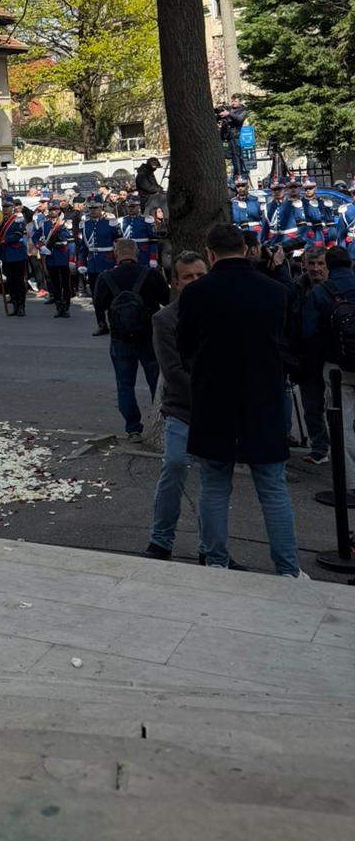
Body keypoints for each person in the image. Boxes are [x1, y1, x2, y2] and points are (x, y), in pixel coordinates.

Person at [178, 221, 303, 577]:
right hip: (263, 396)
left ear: (210, 254)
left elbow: (184, 347)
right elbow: (289, 345)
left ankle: (216, 561)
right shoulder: (275, 291)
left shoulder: (195, 294)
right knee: (272, 487)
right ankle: (288, 568)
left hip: (214, 397)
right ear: (247, 251)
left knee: (215, 485)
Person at [144, 251, 209, 561]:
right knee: (173, 468)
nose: (195, 282)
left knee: (214, 480)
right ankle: (160, 541)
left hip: (216, 410)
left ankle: (213, 548)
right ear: (176, 283)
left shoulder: (222, 311)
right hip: (182, 409)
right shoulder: (165, 318)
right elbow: (172, 372)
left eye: (201, 275)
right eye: (188, 277)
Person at [93, 236, 170, 438]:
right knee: (156, 381)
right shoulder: (151, 274)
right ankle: (159, 425)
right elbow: (166, 299)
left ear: (116, 255)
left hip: (120, 339)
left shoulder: (106, 277)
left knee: (125, 384)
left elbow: (99, 306)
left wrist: (104, 323)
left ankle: (133, 428)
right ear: (136, 253)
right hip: (148, 336)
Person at [302, 244, 355, 490]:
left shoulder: (322, 292)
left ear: (329, 267)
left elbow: (308, 332)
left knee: (342, 425)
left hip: (337, 366)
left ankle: (349, 482)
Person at [293, 246, 331, 467]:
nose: (315, 268)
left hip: (331, 355)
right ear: (305, 264)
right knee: (312, 406)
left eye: (320, 264)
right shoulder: (298, 287)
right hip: (307, 356)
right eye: (312, 264)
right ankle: (320, 447)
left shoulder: (335, 288)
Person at [82, 204, 120, 333]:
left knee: (112, 295)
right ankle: (102, 324)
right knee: (96, 296)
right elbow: (83, 247)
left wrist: (118, 262)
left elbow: (119, 243)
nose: (93, 210)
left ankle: (115, 323)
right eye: (91, 208)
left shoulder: (110, 224)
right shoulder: (85, 225)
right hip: (93, 264)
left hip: (108, 263)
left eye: (96, 208)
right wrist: (81, 263)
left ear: (101, 209)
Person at [38, 203, 74, 318]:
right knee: (55, 284)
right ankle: (59, 307)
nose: (53, 211)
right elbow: (35, 236)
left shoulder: (64, 223)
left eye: (56, 209)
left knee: (65, 284)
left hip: (62, 256)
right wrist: (40, 246)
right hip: (51, 257)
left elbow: (68, 238)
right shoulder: (44, 224)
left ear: (59, 211)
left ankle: (66, 307)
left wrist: (60, 230)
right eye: (51, 209)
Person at [0, 201, 30, 317]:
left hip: (17, 255)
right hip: (6, 256)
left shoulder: (18, 220)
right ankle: (15, 306)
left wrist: (2, 240)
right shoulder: (0, 222)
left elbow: (17, 235)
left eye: (7, 207)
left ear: (12, 208)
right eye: (4, 207)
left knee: (19, 282)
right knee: (10, 283)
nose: (5, 209)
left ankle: (21, 307)